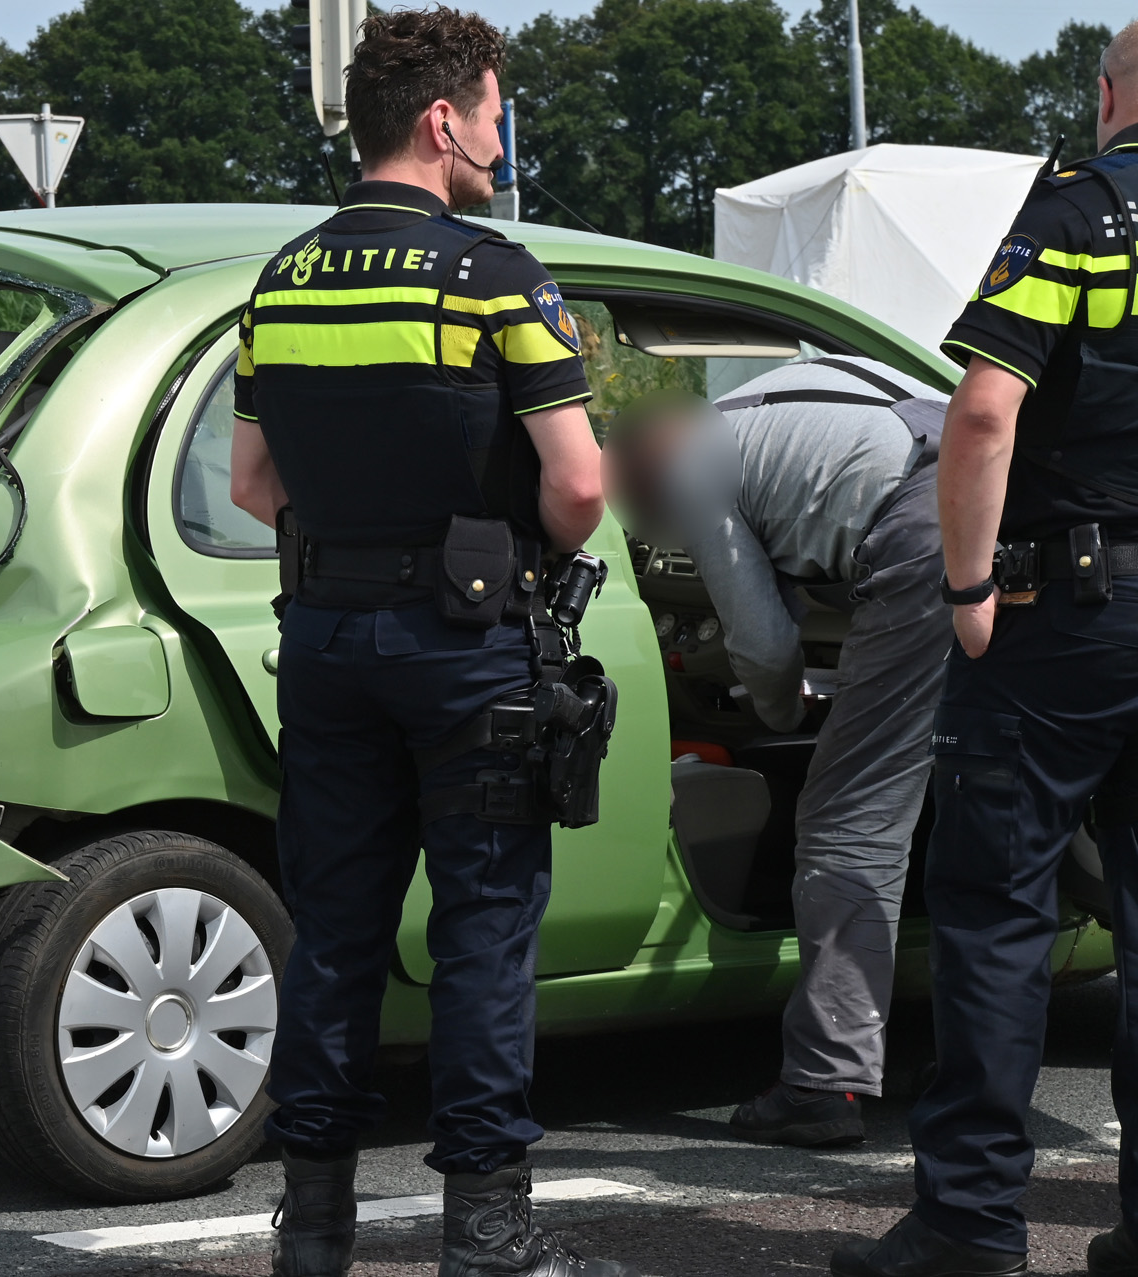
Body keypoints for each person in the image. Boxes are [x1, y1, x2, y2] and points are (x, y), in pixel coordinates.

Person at [227, 9, 632, 1277]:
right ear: (444, 120)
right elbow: (577, 487)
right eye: (497, 116)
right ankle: (489, 1235)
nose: (503, 142)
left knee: (336, 935)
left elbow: (252, 483)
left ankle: (317, 1232)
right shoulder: (494, 272)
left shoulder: (279, 278)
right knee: (483, 937)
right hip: (469, 646)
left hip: (328, 637)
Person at [831, 20, 1138, 1277]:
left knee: (999, 912)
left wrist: (967, 584)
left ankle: (969, 1223)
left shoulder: (1078, 213)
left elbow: (982, 410)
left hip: (1065, 615)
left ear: (1113, 88)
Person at [604, 357, 952, 1148]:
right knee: (979, 797)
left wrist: (782, 714)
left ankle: (823, 1085)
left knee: (844, 819)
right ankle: (973, 1062)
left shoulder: (693, 468)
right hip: (1007, 500)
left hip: (923, 535)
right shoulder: (773, 396)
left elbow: (761, 642)